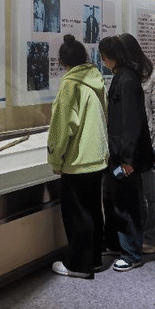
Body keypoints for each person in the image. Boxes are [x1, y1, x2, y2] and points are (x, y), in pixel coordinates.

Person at [48, 34, 109, 279]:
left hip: (78, 160)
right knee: (93, 209)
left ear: (62, 61)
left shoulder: (70, 85)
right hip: (97, 157)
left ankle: (79, 266)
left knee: (77, 214)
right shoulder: (95, 80)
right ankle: (94, 259)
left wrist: (56, 159)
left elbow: (62, 126)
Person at [99, 35, 155, 272]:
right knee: (113, 199)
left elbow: (132, 122)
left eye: (103, 56)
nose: (102, 60)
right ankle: (115, 243)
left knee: (127, 203)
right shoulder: (122, 77)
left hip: (125, 156)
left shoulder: (127, 79)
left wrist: (127, 159)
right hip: (118, 153)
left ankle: (132, 253)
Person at [119, 33, 155, 254]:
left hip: (149, 146)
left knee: (151, 193)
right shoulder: (123, 75)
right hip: (131, 146)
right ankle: (138, 234)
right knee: (135, 194)